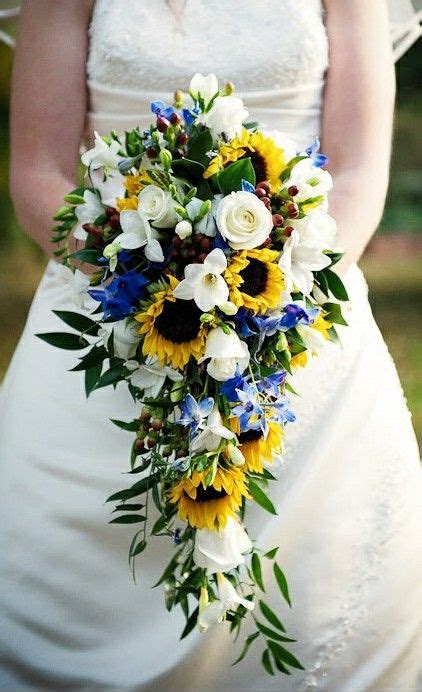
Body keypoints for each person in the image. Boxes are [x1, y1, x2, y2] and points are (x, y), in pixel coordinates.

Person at [0, 1, 421, 689]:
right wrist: (143, 276)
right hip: (109, 302)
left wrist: (282, 287)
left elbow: (358, 173)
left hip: (295, 312)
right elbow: (38, 176)